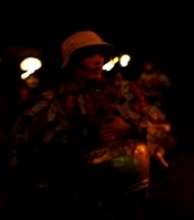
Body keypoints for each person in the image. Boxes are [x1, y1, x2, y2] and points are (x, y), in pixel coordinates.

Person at [5, 30, 174, 220]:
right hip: (76, 206)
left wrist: (129, 127)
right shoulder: (50, 104)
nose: (98, 60)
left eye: (100, 54)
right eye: (89, 54)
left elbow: (162, 129)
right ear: (72, 61)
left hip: (126, 204)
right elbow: (21, 156)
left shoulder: (123, 92)